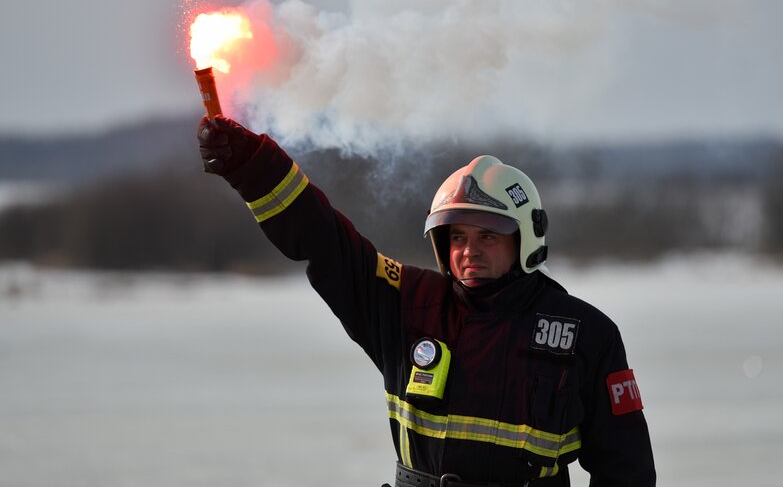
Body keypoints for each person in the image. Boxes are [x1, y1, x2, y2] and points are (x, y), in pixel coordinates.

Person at [197, 116, 657, 486]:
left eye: (488, 236)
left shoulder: (585, 334)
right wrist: (254, 167)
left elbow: (627, 472)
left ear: (525, 238)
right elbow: (325, 242)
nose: (469, 250)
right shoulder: (406, 303)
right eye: (456, 236)